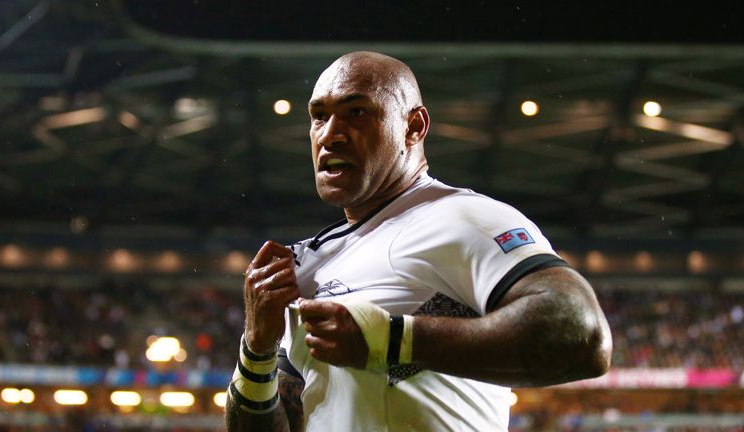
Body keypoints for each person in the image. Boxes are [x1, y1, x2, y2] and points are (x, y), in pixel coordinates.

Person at [225, 51, 612, 432]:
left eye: (356, 112)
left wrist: (392, 341)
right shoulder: (304, 267)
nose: (330, 134)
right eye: (319, 117)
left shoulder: (461, 218)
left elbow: (583, 334)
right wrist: (256, 350)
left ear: (414, 126)